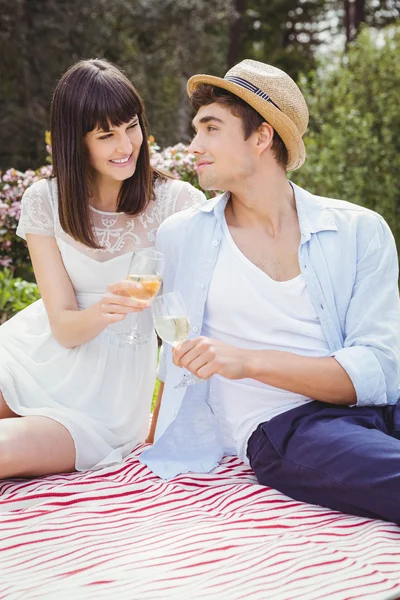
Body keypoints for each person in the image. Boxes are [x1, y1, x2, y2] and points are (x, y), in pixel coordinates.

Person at [142, 59, 400, 524]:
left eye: (211, 128)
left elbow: (378, 370)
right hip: (288, 428)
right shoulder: (182, 237)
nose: (194, 146)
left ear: (261, 137)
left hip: (382, 406)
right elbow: (170, 351)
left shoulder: (359, 229)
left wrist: (248, 360)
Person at [0, 58, 205, 478]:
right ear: (77, 142)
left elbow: (183, 327)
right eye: (106, 135)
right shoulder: (45, 199)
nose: (126, 145)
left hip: (104, 402)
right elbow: (62, 327)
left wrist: (163, 421)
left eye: (130, 126)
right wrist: (102, 310)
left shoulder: (176, 203)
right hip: (30, 357)